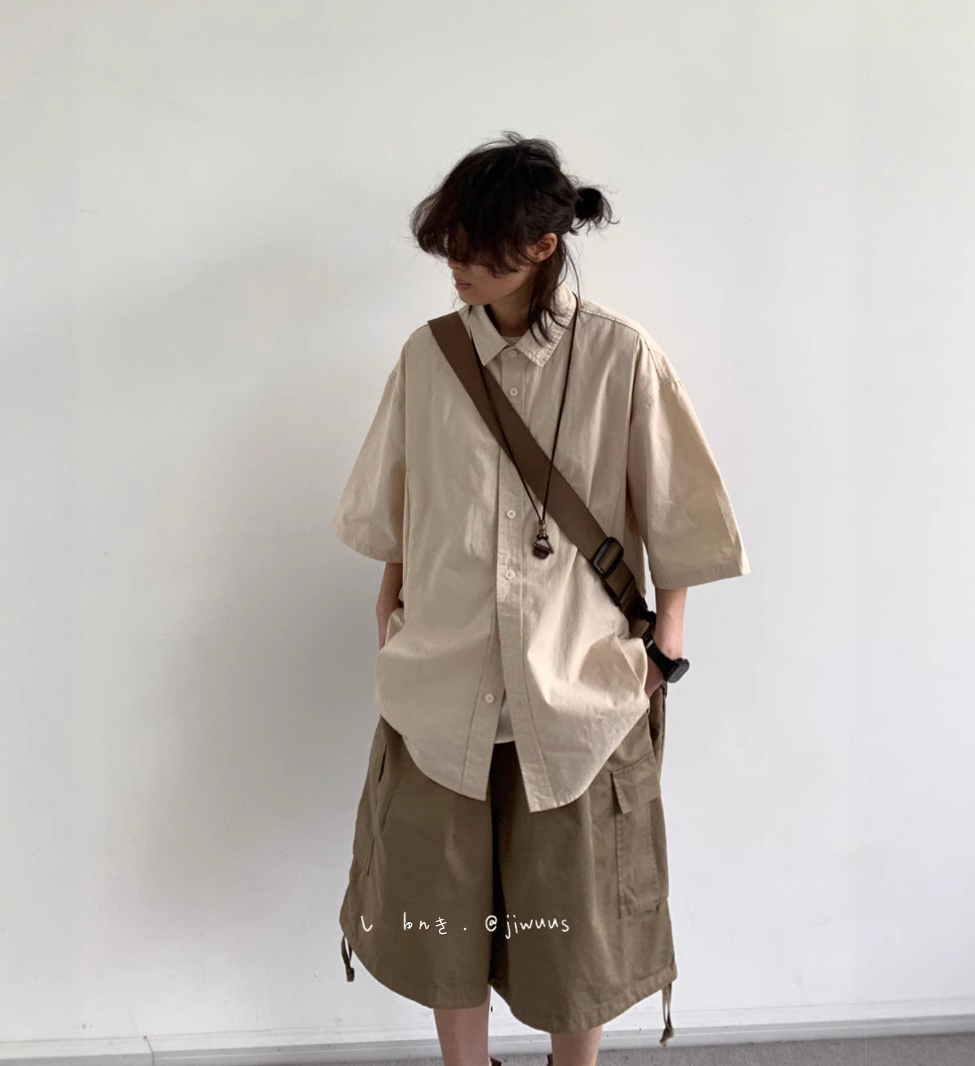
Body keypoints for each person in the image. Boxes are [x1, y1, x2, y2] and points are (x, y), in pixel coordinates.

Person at [331, 131, 750, 1066]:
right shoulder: (429, 356)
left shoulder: (620, 357)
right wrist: (389, 614)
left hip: (579, 690)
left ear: (542, 245)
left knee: (577, 929)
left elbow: (680, 514)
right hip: (442, 685)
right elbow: (391, 505)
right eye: (447, 245)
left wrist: (665, 649)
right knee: (443, 921)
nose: (455, 266)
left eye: (474, 247)